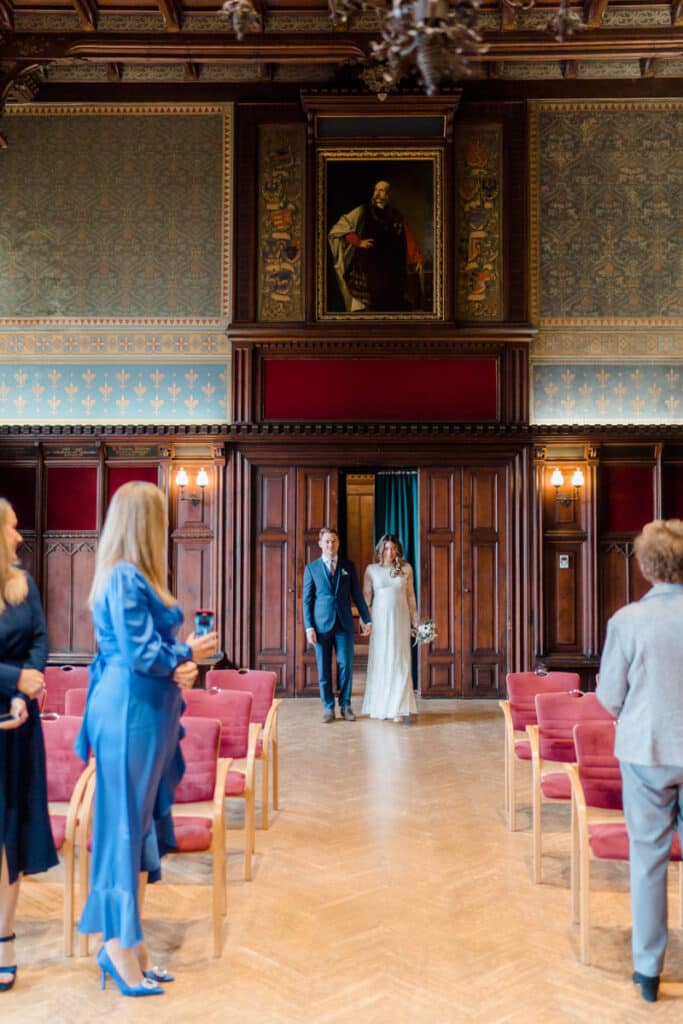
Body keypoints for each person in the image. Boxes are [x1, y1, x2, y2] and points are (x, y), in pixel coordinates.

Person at [75, 481, 218, 998]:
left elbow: (153, 650)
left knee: (139, 833)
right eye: (162, 516)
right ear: (144, 523)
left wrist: (182, 661)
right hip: (129, 711)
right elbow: (139, 655)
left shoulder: (135, 577)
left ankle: (132, 944)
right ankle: (115, 947)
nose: (168, 525)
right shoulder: (122, 578)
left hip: (148, 709)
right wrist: (184, 657)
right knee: (123, 831)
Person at [596, 518, 683, 1004]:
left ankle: (648, 971)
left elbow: (610, 697)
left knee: (648, 861)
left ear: (646, 566)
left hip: (647, 751)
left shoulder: (628, 621)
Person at [0, 498, 57, 993]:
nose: (20, 537)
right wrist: (17, 679)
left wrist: (26, 687)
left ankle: (4, 937)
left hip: (18, 727)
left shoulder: (24, 584)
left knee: (11, 832)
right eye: (13, 528)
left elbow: (40, 637)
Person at [303, 526, 371, 723]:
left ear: (338, 543)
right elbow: (306, 601)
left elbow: (357, 596)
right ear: (320, 544)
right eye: (327, 541)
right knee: (323, 668)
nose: (330, 544)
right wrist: (309, 627)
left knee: (346, 665)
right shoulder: (311, 568)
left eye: (333, 541)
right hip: (320, 626)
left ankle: (346, 705)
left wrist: (366, 619)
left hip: (344, 625)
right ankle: (328, 707)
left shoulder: (348, 566)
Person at [328, 180, 423, 313]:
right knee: (368, 308)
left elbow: (408, 237)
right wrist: (358, 242)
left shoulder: (396, 215)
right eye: (376, 190)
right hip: (367, 268)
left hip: (391, 270)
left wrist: (417, 257)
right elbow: (340, 228)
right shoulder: (362, 211)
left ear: (389, 194)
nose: (377, 194)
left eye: (382, 190)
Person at [361, 534, 419, 723]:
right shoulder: (372, 570)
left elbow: (410, 597)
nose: (390, 552)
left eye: (393, 548)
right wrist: (365, 622)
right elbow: (367, 599)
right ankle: (382, 706)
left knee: (399, 660)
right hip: (380, 620)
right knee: (382, 658)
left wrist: (416, 622)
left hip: (400, 618)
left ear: (397, 550)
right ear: (380, 550)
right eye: (386, 548)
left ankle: (399, 708)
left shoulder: (406, 568)